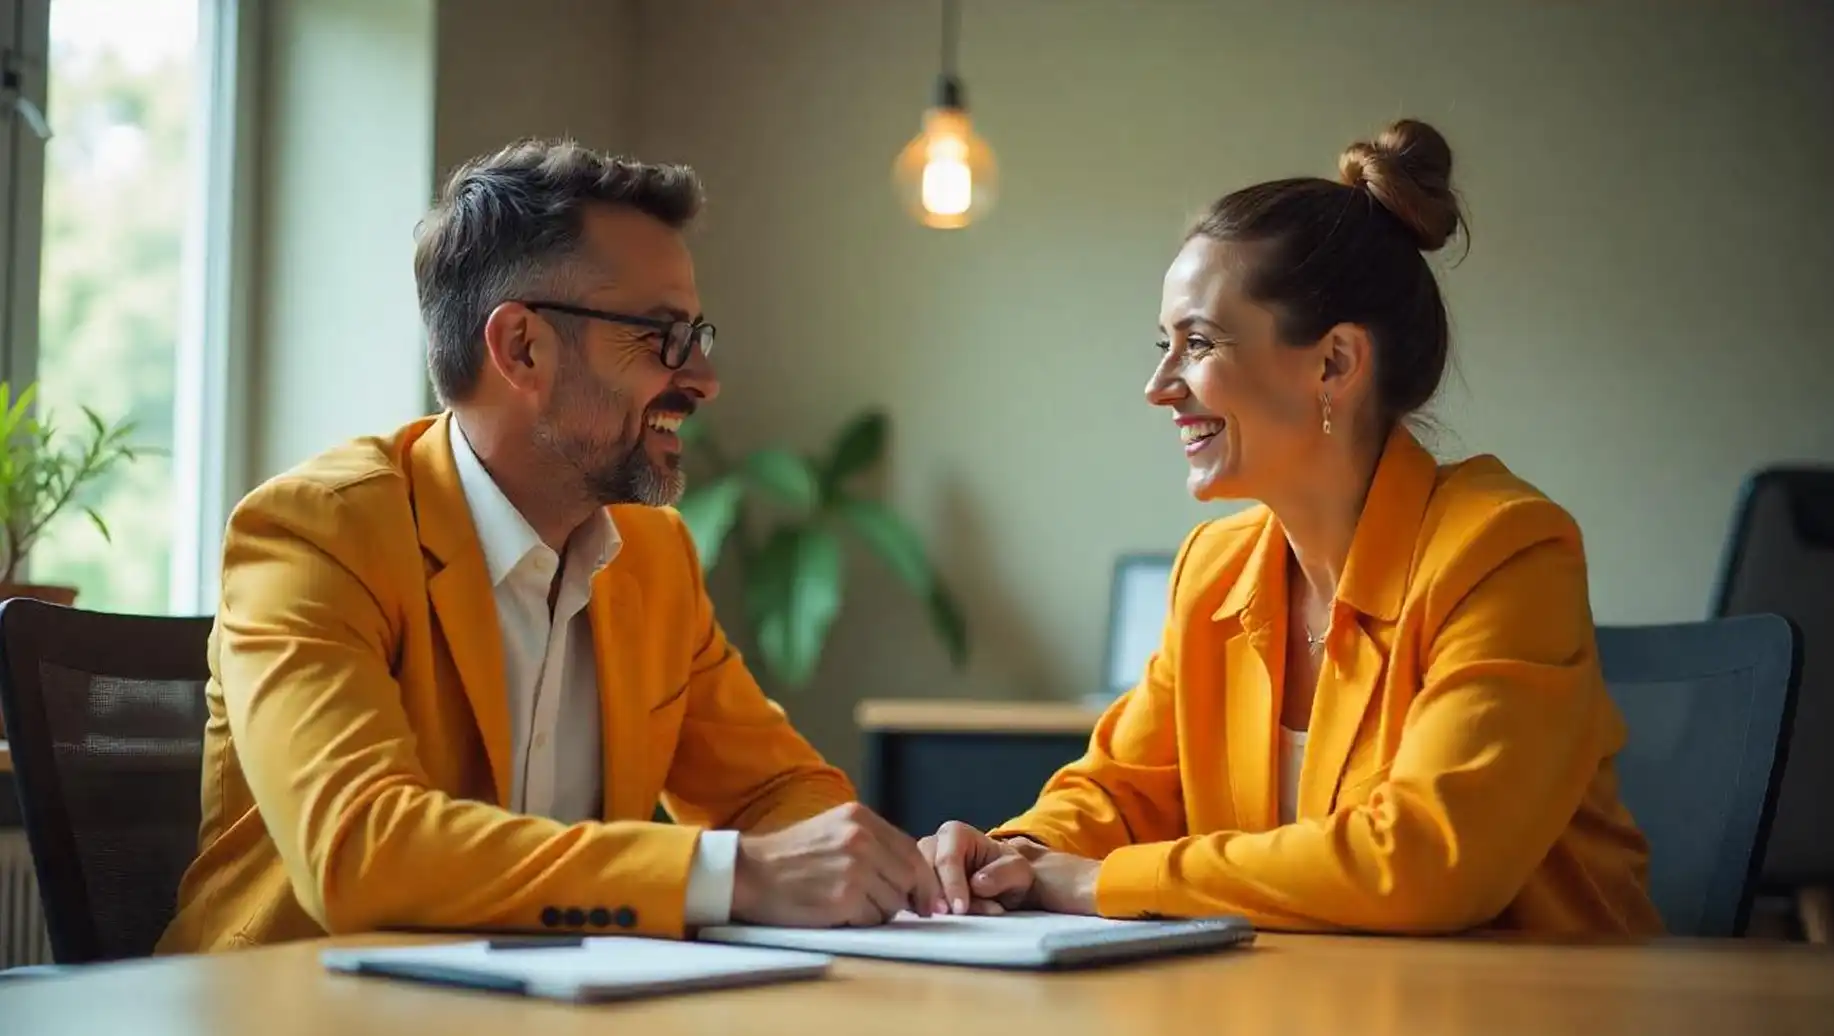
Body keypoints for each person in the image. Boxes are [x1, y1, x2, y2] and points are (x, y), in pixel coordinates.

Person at [158, 140, 940, 953]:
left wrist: (878, 868)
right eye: (662, 337)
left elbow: (772, 790)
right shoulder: (316, 533)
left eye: (698, 335)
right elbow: (361, 851)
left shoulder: (653, 556)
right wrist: (736, 876)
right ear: (522, 348)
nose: (703, 377)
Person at [920, 120, 1664, 936]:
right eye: (1164, 345)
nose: (1158, 386)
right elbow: (1119, 790)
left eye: (1197, 343)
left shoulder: (1505, 553)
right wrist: (1016, 852)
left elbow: (1423, 865)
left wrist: (1094, 883)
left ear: (1336, 363)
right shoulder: (1216, 569)